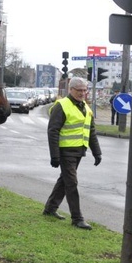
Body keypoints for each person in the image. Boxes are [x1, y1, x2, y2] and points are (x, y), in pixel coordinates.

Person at [43, 77, 103, 230]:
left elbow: (91, 132)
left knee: (64, 181)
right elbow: (53, 131)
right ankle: (77, 218)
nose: (82, 93)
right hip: (65, 151)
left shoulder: (86, 108)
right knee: (71, 183)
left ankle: (50, 209)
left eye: (84, 90)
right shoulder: (62, 105)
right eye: (79, 90)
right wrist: (55, 156)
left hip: (78, 151)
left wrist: (97, 152)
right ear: (71, 90)